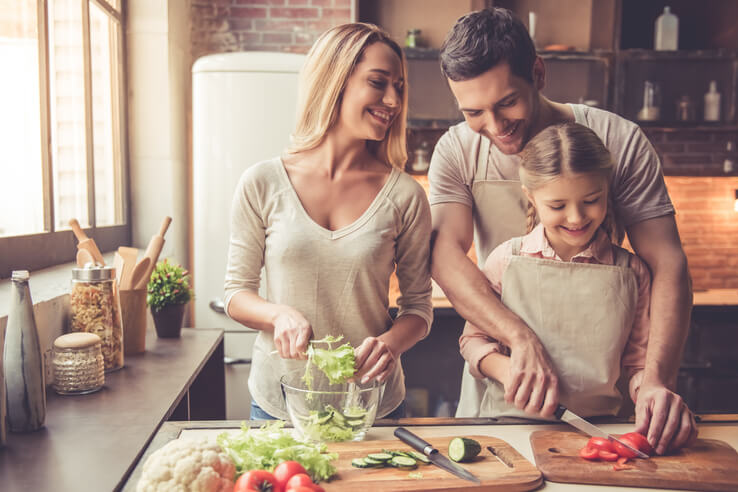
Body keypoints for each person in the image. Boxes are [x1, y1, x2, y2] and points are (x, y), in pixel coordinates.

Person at [429, 8, 694, 454]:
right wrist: (517, 338)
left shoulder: (620, 141)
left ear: (538, 72)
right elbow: (443, 256)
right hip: (503, 400)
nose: (494, 127)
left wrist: (654, 382)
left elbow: (667, 263)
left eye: (507, 102)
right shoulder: (456, 150)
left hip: (604, 411)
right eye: (474, 111)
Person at [224, 23, 433, 421]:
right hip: (281, 404)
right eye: (378, 82)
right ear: (335, 81)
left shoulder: (405, 195)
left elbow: (419, 309)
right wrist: (277, 315)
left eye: (399, 87)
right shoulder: (263, 182)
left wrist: (391, 343)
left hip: (371, 405)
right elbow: (236, 293)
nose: (392, 100)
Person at [461, 122, 659, 423]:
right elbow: (472, 340)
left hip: (601, 429)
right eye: (557, 205)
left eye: (591, 201)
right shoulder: (505, 260)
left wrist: (648, 392)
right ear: (531, 198)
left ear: (606, 189)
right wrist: (505, 368)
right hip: (512, 426)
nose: (576, 217)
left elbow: (639, 363)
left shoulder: (633, 272)